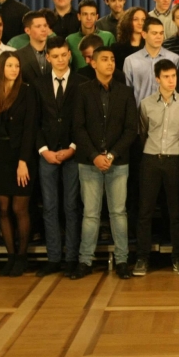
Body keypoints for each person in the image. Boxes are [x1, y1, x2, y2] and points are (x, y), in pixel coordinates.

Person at [71, 46, 138, 280]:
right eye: (104, 59)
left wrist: (111, 155)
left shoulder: (125, 92)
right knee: (90, 214)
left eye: (112, 59)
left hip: (117, 162)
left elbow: (131, 129)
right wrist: (94, 155)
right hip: (89, 161)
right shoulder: (82, 91)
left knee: (118, 213)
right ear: (93, 63)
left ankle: (122, 261)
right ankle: (85, 261)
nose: (110, 63)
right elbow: (78, 127)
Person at [134, 59, 179, 277]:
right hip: (151, 159)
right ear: (157, 79)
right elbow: (142, 133)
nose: (171, 81)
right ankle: (142, 257)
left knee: (176, 212)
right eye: (166, 77)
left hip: (175, 160)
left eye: (173, 76)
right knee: (145, 211)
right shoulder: (146, 104)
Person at [34, 37, 87, 278]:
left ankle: (72, 258)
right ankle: (53, 258)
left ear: (69, 54)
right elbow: (34, 121)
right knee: (49, 207)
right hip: (47, 152)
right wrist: (43, 149)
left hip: (73, 152)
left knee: (72, 206)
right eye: (55, 56)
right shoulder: (38, 84)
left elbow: (84, 120)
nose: (60, 59)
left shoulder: (82, 82)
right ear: (48, 58)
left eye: (64, 55)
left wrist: (73, 147)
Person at [0, 52, 37, 277]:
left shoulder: (27, 91)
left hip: (21, 155)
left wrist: (23, 161)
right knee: (3, 209)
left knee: (19, 208)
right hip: (0, 155)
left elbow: (30, 128)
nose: (14, 69)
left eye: (17, 66)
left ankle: (21, 257)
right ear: (2, 67)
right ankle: (10, 256)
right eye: (9, 65)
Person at [124, 17, 179, 105]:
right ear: (144, 34)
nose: (159, 37)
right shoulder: (130, 61)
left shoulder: (173, 59)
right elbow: (127, 92)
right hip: (139, 110)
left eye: (161, 33)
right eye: (154, 33)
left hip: (167, 110)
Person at [66, 0, 116, 70]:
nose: (89, 18)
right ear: (79, 16)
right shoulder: (70, 40)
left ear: (97, 17)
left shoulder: (108, 37)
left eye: (92, 14)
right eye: (85, 14)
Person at [14, 10, 52, 85]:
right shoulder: (18, 56)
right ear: (27, 30)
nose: (44, 29)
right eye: (38, 26)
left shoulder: (56, 52)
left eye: (45, 25)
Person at [112, 6, 148, 71]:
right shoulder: (117, 48)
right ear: (128, 21)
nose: (140, 23)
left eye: (143, 20)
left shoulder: (150, 46)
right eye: (135, 19)